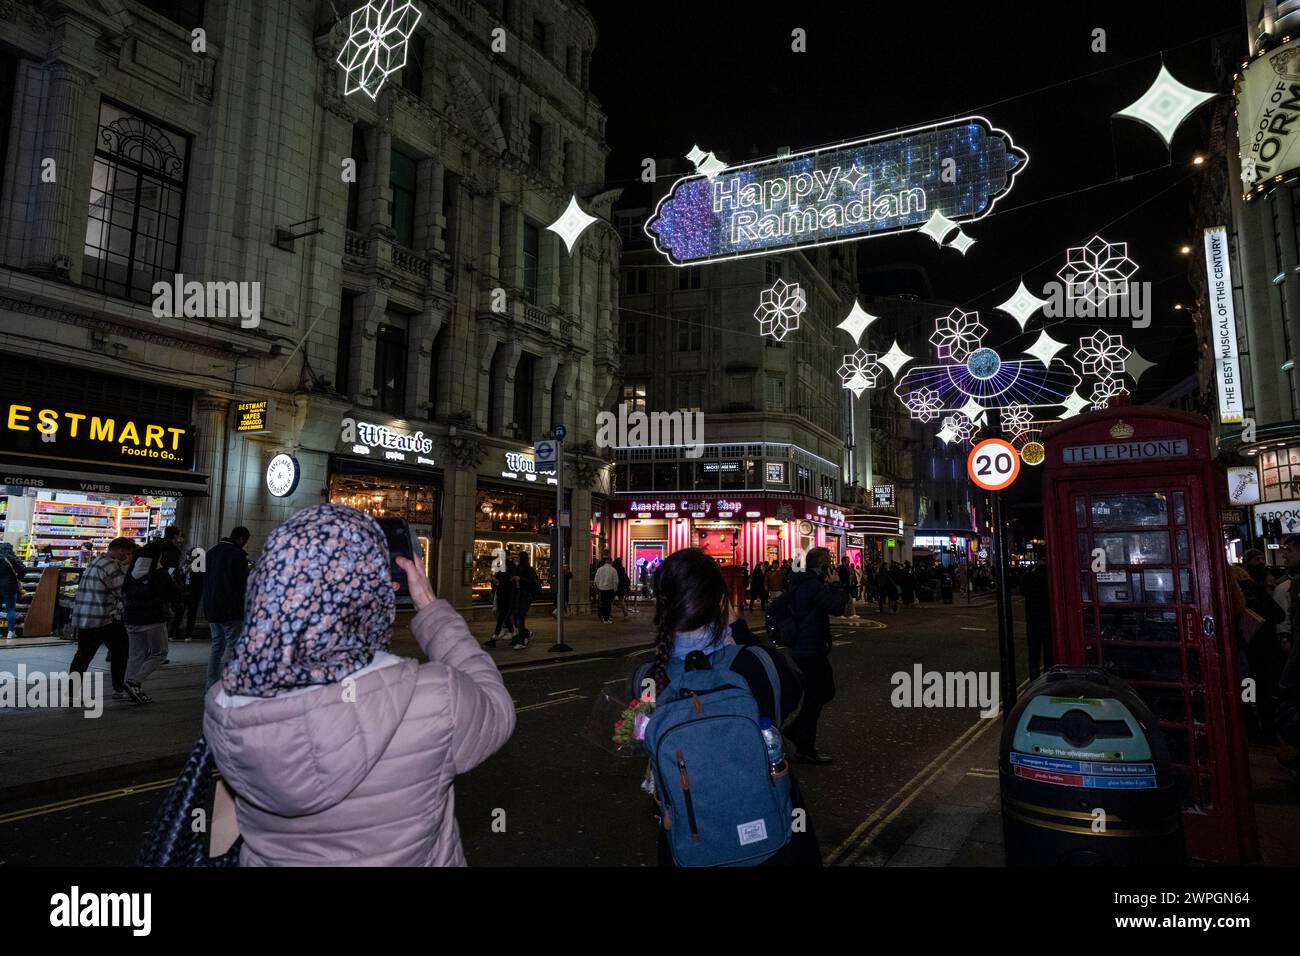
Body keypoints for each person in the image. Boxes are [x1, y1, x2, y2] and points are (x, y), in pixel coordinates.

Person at [202, 504, 515, 866]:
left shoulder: (226, 702)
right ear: (371, 594)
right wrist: (430, 606)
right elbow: (497, 708)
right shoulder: (431, 698)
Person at [640, 548, 819, 866]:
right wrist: (740, 631)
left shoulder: (648, 677)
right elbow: (795, 695)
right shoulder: (757, 664)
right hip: (773, 841)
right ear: (722, 604)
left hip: (689, 842)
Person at [784, 547, 849, 764]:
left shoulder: (800, 581)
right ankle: (804, 744)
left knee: (819, 693)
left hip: (804, 646)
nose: (831, 565)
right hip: (809, 647)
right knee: (819, 693)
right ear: (821, 564)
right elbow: (836, 608)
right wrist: (837, 585)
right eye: (829, 561)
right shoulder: (812, 585)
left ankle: (797, 733)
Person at [68, 537, 136, 699]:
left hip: (85, 616)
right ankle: (118, 688)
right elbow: (121, 591)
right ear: (120, 550)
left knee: (83, 655)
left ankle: (71, 693)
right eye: (127, 553)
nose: (128, 556)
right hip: (104, 617)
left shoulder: (96, 562)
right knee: (121, 650)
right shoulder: (111, 567)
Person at [121, 538, 184, 703]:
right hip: (153, 619)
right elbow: (175, 593)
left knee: (136, 655)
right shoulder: (159, 573)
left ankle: (128, 689)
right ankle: (134, 682)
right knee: (159, 653)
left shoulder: (131, 572)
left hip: (131, 618)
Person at [202, 527, 252, 689]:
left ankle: (211, 684)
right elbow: (243, 584)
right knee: (233, 645)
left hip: (211, 606)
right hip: (231, 608)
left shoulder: (211, 553)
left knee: (217, 646)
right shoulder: (237, 556)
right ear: (242, 539)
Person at [1021, 561, 1053, 680]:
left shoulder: (1029, 577)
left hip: (1032, 618)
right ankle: (1048, 676)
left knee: (1033, 653)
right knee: (1049, 652)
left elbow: (1022, 591)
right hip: (1048, 618)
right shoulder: (1050, 577)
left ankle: (1034, 679)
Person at [159, 526, 186, 644]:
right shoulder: (172, 550)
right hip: (166, 586)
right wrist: (169, 579)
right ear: (175, 536)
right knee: (167, 616)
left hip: (153, 583)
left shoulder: (156, 545)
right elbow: (171, 568)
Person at [175, 545, 205, 642]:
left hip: (194, 592)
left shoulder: (200, 566)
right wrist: (185, 571)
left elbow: (202, 579)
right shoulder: (183, 563)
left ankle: (188, 635)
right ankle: (173, 633)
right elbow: (178, 575)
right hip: (184, 590)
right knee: (179, 612)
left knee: (191, 614)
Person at [510, 550, 540, 648]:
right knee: (516, 617)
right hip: (518, 595)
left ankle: (521, 642)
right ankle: (526, 633)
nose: (516, 560)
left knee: (520, 618)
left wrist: (520, 579)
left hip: (525, 596)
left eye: (518, 558)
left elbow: (532, 582)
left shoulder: (528, 569)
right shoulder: (517, 568)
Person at [0, 542, 26, 640]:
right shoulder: (12, 558)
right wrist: (19, 578)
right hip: (10, 586)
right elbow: (23, 569)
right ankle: (10, 632)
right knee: (10, 609)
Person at [594, 556, 618, 623]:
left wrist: (599, 586)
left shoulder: (600, 569)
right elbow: (615, 581)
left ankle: (602, 617)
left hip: (601, 589)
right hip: (610, 589)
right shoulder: (613, 570)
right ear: (611, 562)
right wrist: (615, 589)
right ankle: (606, 619)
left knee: (603, 604)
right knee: (608, 605)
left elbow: (596, 579)